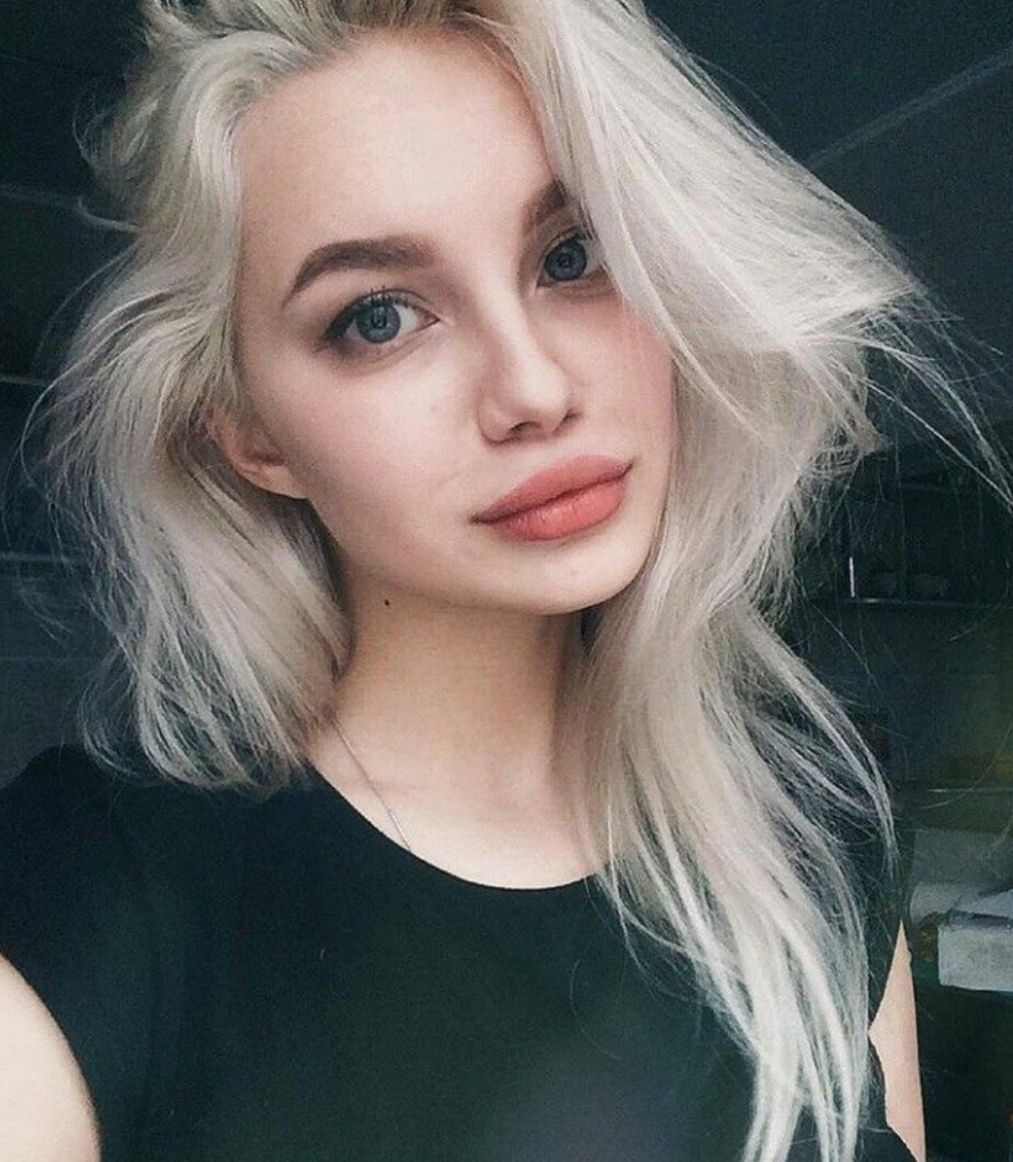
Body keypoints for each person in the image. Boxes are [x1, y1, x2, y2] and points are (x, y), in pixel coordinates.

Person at [3, 0, 1008, 1158]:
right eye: (378, 317)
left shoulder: (815, 824)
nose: (531, 386)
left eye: (572, 255)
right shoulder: (90, 897)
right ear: (250, 432)